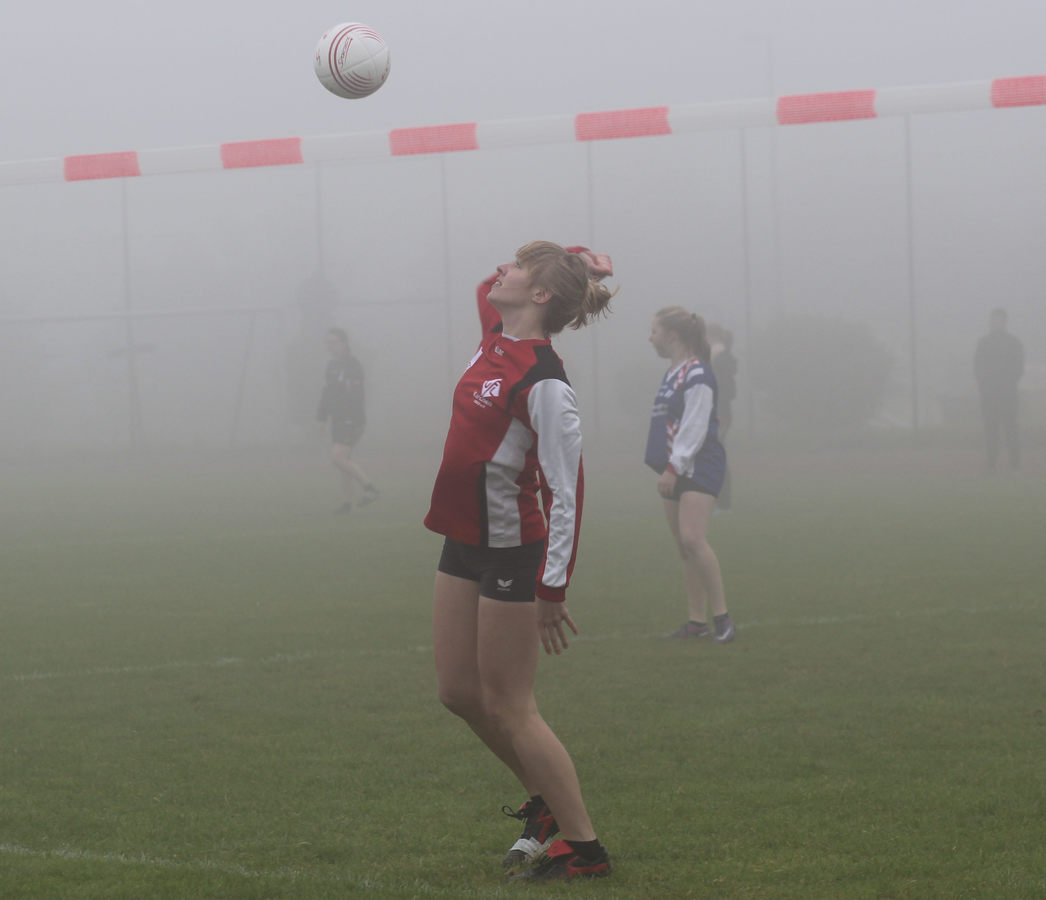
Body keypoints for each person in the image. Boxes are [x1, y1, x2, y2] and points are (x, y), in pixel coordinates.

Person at [425, 241, 614, 883]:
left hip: (512, 550)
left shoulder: (545, 382)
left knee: (511, 704)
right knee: (458, 692)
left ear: (538, 295)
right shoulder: (495, 338)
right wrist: (576, 257)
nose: (500, 270)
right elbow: (490, 284)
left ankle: (584, 850)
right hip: (461, 540)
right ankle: (543, 805)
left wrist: (551, 588)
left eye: (517, 267)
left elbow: (567, 490)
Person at [645, 307, 734, 643]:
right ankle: (697, 623)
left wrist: (673, 467)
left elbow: (695, 426)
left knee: (694, 540)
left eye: (654, 331)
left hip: (699, 464)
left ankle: (722, 618)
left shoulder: (697, 373)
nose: (650, 338)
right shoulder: (673, 372)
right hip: (676, 466)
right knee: (685, 547)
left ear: (671, 336)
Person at [316, 327, 379, 513]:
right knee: (343, 461)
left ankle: (370, 488)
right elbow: (326, 393)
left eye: (334, 342)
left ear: (344, 344)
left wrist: (348, 417)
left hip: (352, 420)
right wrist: (321, 417)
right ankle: (346, 504)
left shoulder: (352, 366)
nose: (330, 346)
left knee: (337, 457)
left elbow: (353, 396)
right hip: (338, 420)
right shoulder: (331, 366)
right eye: (328, 343)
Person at [974, 308, 1024, 473]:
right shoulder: (983, 343)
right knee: (991, 430)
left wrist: (1006, 383)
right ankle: (991, 465)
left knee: (1011, 429)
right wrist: (985, 386)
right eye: (993, 320)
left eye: (998, 320)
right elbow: (978, 367)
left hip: (1008, 394)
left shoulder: (1014, 343)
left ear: (1004, 322)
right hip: (989, 395)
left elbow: (1018, 367)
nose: (994, 323)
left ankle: (1014, 465)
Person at [707, 322, 738, 511]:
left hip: (719, 414)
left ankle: (722, 503)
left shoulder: (720, 358)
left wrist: (720, 413)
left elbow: (727, 390)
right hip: (717, 413)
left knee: (716, 458)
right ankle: (718, 501)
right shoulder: (717, 357)